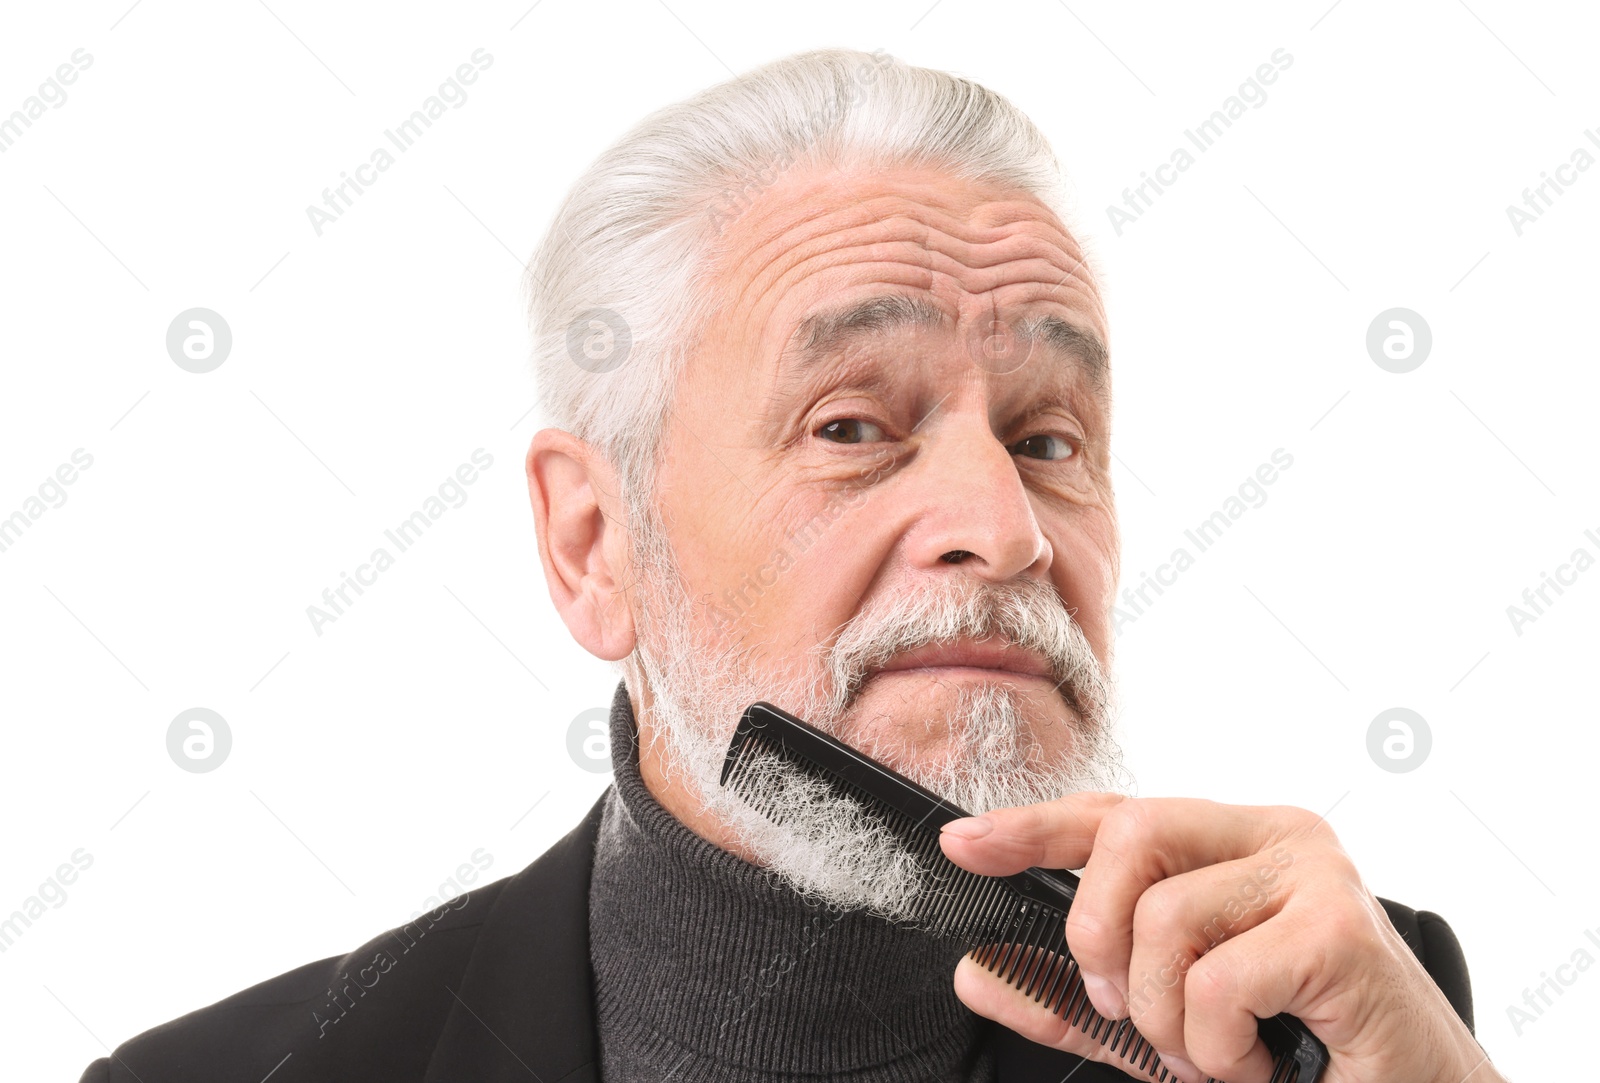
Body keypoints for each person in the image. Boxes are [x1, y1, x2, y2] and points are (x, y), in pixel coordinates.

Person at [83, 48, 1493, 1083]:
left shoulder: (1332, 1025)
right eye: (851, 426)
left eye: (1052, 439)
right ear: (593, 545)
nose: (1004, 530)